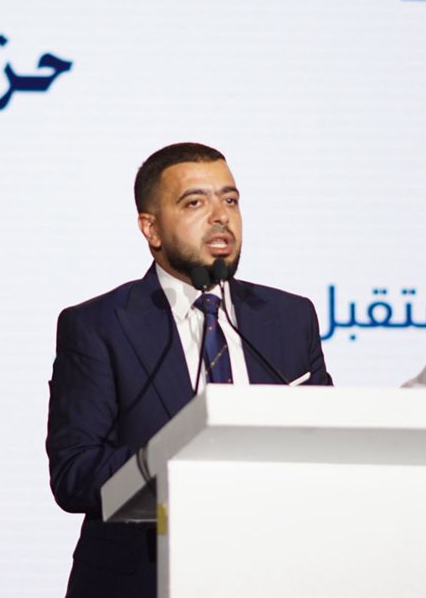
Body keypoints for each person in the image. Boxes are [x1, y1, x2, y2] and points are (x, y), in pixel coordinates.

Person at [46, 142, 332, 598]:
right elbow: (75, 473)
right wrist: (187, 459)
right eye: (195, 203)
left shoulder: (290, 318)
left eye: (230, 200)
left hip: (273, 574)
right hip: (145, 579)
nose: (221, 216)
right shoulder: (99, 325)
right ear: (151, 228)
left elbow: (327, 447)